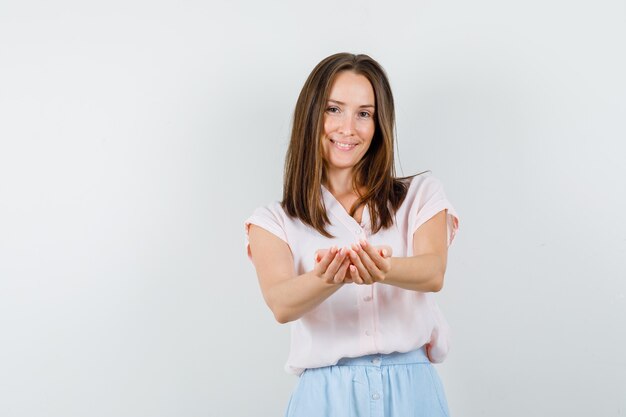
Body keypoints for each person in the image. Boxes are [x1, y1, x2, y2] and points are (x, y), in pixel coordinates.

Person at [244, 52, 459, 417]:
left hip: (413, 390)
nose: (348, 128)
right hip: (325, 395)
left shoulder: (420, 195)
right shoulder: (274, 220)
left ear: (378, 124)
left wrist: (379, 269)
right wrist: (330, 277)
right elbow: (281, 302)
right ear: (311, 116)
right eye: (334, 109)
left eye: (364, 113)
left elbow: (433, 271)